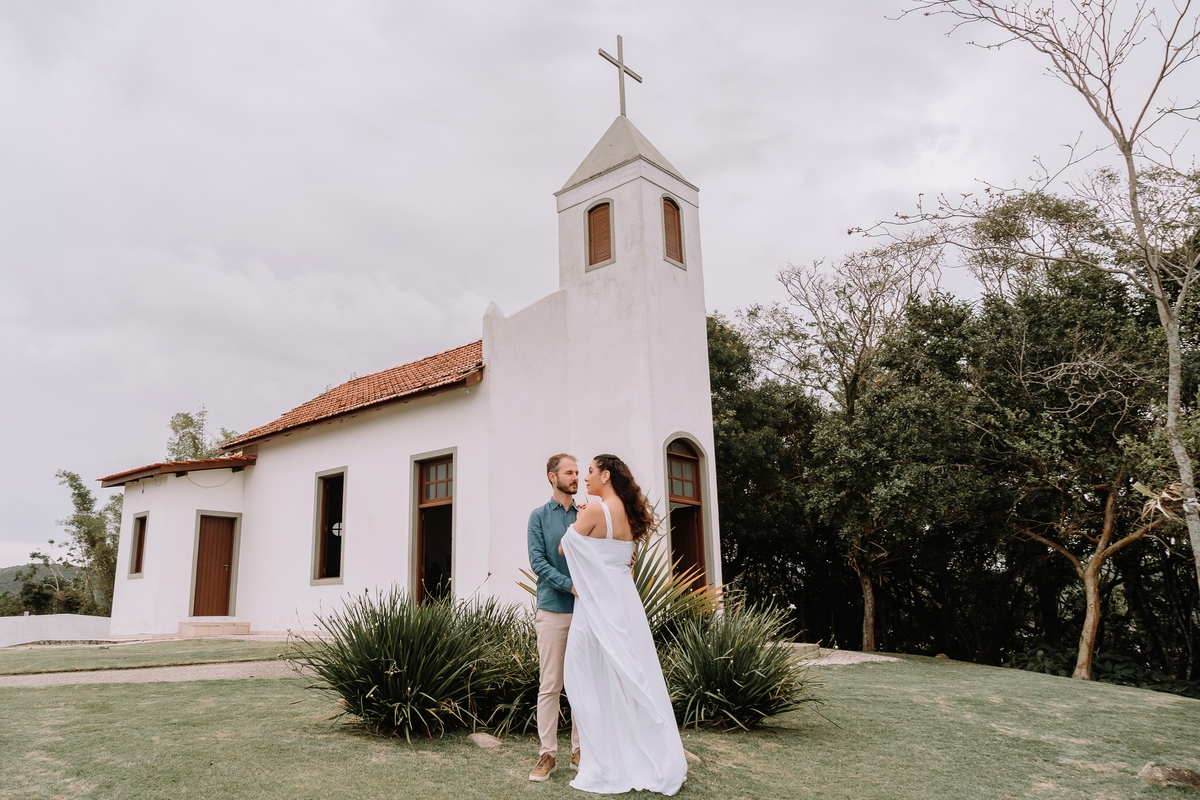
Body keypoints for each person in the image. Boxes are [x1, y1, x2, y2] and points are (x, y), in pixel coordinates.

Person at [559, 454, 688, 796]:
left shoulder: (594, 511)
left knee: (586, 676)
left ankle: (607, 761)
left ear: (605, 475)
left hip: (597, 604)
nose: (585, 478)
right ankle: (641, 753)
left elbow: (564, 547)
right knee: (629, 672)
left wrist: (583, 518)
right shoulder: (629, 515)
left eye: (589, 471)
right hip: (625, 602)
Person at [526, 453, 582, 782]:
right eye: (569, 472)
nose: (575, 477)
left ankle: (580, 750)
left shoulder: (587, 514)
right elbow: (538, 562)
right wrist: (570, 586)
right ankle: (547, 755)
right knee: (551, 685)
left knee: (582, 683)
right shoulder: (537, 517)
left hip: (586, 612)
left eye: (578, 472)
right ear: (552, 477)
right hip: (552, 610)